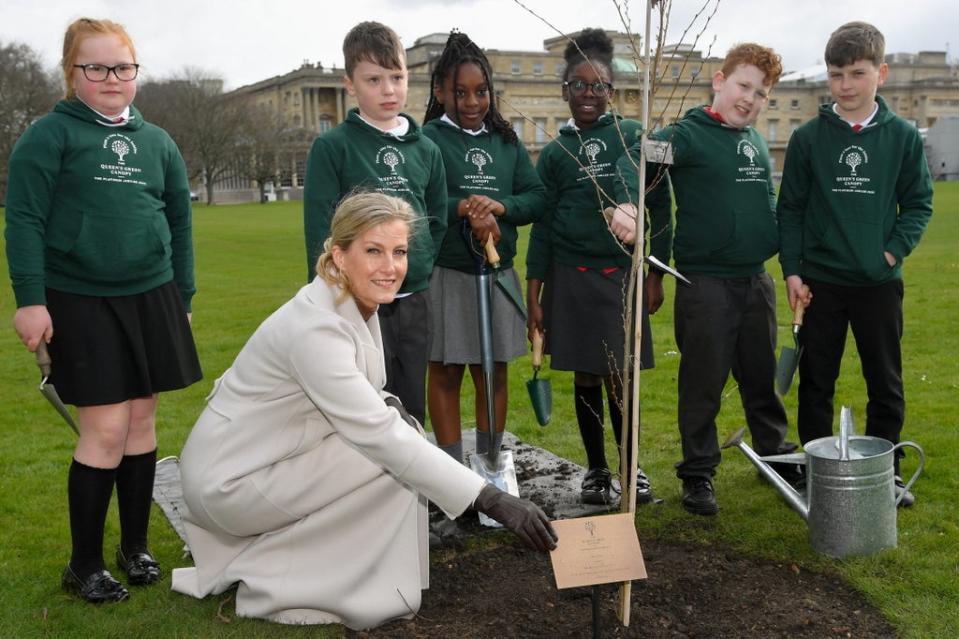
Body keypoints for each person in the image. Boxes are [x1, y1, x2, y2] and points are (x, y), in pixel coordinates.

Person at [170, 192, 557, 630]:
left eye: (399, 252)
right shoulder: (314, 326)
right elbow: (376, 431)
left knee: (402, 438)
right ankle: (282, 580)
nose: (389, 267)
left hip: (261, 462)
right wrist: (490, 498)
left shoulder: (350, 301)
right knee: (393, 452)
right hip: (228, 483)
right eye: (373, 251)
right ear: (339, 254)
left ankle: (349, 572)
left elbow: (373, 410)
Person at [4, 17, 201, 602]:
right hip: (80, 298)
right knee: (106, 428)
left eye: (123, 67)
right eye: (96, 68)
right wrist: (31, 301)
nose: (112, 78)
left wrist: (182, 298)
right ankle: (83, 563)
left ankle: (133, 547)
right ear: (72, 74)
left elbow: (179, 222)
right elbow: (24, 222)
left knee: (142, 423)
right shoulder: (48, 137)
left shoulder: (158, 141)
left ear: (135, 71)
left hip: (152, 294)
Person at [618, 43, 800, 516]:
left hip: (756, 281)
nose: (750, 99)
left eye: (761, 94)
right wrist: (626, 204)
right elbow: (634, 161)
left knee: (761, 377)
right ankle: (698, 473)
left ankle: (774, 452)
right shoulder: (687, 135)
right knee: (703, 382)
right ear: (720, 81)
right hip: (707, 287)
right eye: (743, 86)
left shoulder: (755, 141)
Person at [777, 22, 933, 506]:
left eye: (856, 73)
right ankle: (816, 467)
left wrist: (889, 252)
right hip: (821, 283)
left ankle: (885, 471)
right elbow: (792, 210)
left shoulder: (904, 137)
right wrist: (793, 271)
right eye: (836, 74)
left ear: (880, 73)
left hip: (878, 283)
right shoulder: (807, 139)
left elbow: (920, 204)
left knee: (884, 380)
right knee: (816, 382)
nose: (845, 84)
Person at [526, 29, 666, 507]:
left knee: (619, 376)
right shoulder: (554, 154)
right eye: (579, 85)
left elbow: (655, 196)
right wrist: (534, 295)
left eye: (599, 85)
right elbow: (542, 228)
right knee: (585, 376)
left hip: (619, 276)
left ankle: (632, 465)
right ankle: (597, 470)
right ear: (564, 90)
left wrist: (654, 272)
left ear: (612, 90)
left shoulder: (631, 135)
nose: (588, 94)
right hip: (569, 277)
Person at [303, 21, 447, 426]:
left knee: (412, 407)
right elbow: (319, 229)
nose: (388, 90)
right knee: (365, 410)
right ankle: (363, 490)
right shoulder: (333, 147)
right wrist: (333, 298)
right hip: (357, 304)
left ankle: (412, 489)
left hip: (413, 299)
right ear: (350, 84)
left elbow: (436, 219)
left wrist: (416, 265)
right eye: (374, 79)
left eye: (396, 77)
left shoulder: (427, 149)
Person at [421, 32, 546, 464]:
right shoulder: (429, 140)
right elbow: (418, 201)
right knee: (446, 370)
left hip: (496, 275)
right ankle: (453, 469)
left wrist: (500, 206)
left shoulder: (505, 141)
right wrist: (463, 209)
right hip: (448, 275)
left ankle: (490, 464)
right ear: (440, 92)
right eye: (460, 93)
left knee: (491, 372)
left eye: (481, 92)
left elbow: (535, 197)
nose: (473, 102)